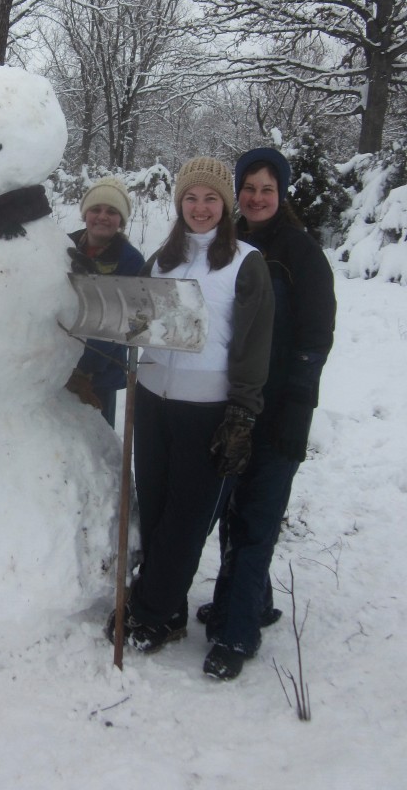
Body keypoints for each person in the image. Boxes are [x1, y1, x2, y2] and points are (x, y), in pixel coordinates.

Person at [109, 156, 274, 655]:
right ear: (179, 203)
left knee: (186, 517)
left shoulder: (247, 262)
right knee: (156, 507)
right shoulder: (160, 259)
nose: (200, 207)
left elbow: (253, 345)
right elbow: (134, 321)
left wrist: (242, 415)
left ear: (225, 205)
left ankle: (152, 611)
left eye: (210, 198)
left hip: (208, 409)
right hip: (154, 402)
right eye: (191, 198)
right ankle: (168, 605)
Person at [199, 147, 336, 680]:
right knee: (234, 509)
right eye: (249, 188)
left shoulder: (300, 253)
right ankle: (252, 601)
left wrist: (295, 407)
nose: (257, 198)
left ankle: (237, 633)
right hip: (233, 402)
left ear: (281, 194)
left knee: (257, 516)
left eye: (267, 189)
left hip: (280, 407)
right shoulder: (227, 245)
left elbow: (314, 340)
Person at [66, 177, 144, 426]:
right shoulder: (63, 246)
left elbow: (133, 323)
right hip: (59, 364)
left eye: (112, 211)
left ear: (121, 220)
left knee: (96, 440)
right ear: (84, 213)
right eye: (96, 209)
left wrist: (87, 369)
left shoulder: (130, 260)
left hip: (100, 372)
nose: (102, 216)